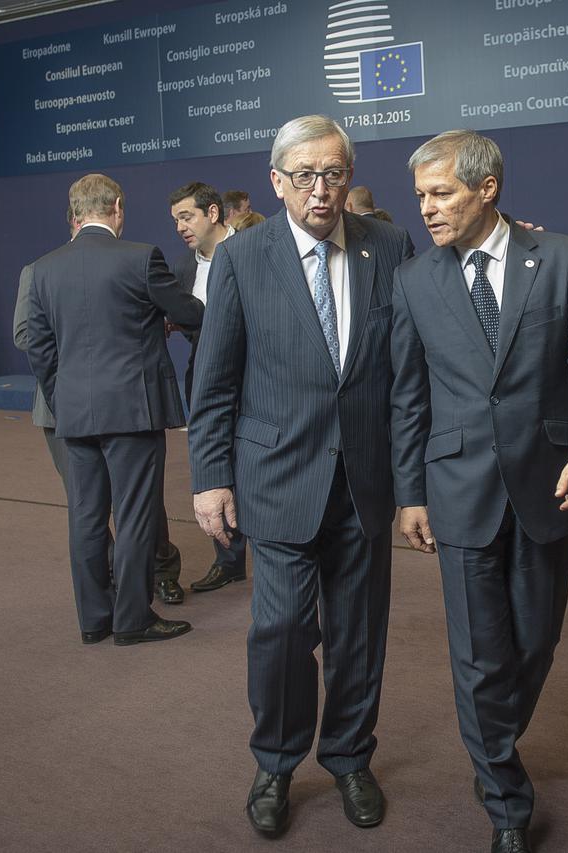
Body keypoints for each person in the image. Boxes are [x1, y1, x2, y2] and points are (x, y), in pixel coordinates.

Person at [392, 129, 568, 853]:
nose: (426, 209)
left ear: (486, 188)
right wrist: (410, 493)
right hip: (456, 490)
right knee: (478, 655)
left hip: (551, 485)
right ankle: (506, 803)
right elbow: (407, 397)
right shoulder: (414, 280)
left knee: (534, 644)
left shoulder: (558, 257)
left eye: (441, 193)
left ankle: (491, 732)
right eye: (421, 195)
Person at [188, 115, 414, 838]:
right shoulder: (241, 258)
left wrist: (411, 487)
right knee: (281, 631)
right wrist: (209, 476)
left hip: (365, 483)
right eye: (307, 176)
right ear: (277, 182)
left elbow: (406, 375)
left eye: (336, 173)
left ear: (350, 176)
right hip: (277, 477)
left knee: (359, 634)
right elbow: (214, 380)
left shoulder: (390, 246)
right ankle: (277, 761)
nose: (324, 190)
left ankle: (349, 755)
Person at [27, 174, 204, 646]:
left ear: (75, 212)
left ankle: (93, 621)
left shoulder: (43, 269)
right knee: (134, 515)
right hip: (132, 411)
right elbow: (189, 315)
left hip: (74, 413)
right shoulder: (141, 258)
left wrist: (63, 393)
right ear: (118, 207)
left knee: (85, 518)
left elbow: (39, 347)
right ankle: (132, 620)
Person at [167, 182, 249, 598]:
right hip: (204, 379)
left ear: (213, 213)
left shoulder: (255, 248)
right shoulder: (182, 268)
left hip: (256, 380)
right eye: (176, 220)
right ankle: (229, 561)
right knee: (216, 470)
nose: (181, 227)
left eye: (187, 216)